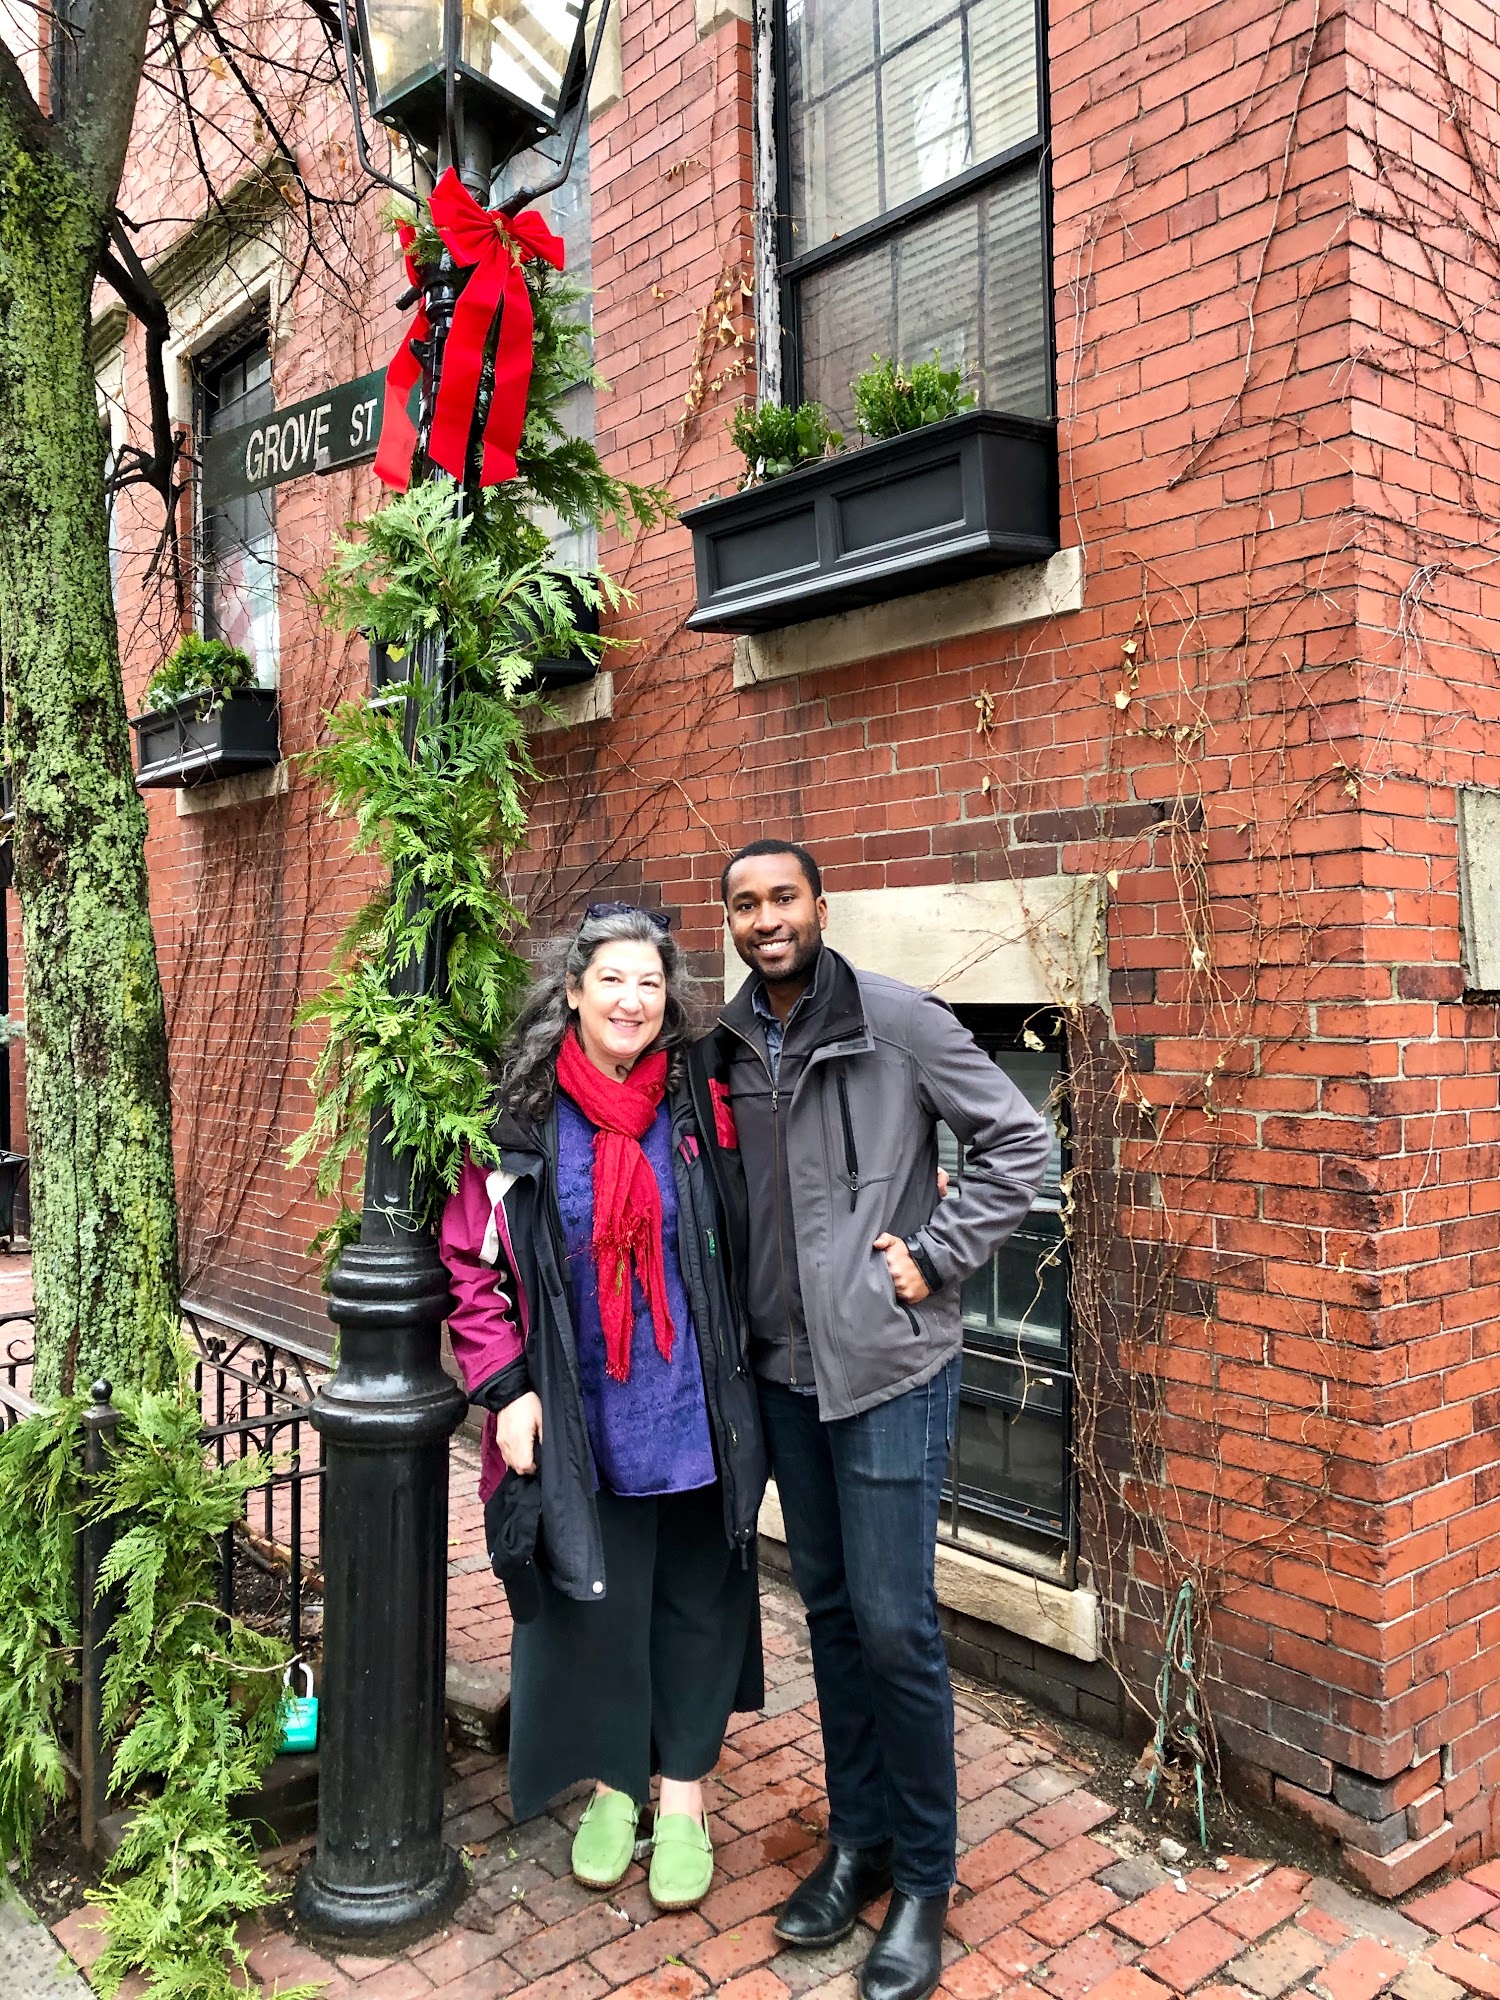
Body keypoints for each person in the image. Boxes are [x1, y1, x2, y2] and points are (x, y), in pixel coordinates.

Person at [694, 840, 1052, 2000]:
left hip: (892, 1368)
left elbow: (1020, 1142)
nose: (765, 919)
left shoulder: (899, 1022)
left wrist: (936, 1258)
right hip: (784, 1376)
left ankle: (927, 1880)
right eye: (745, 904)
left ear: (820, 905)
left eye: (782, 897)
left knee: (897, 1625)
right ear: (731, 921)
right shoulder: (723, 1048)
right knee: (835, 1616)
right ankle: (861, 1841)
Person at [438, 903, 766, 1912]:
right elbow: (472, 1266)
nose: (631, 999)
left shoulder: (701, 1103)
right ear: (573, 990)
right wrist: (504, 1387)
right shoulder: (519, 1118)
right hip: (582, 1410)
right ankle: (618, 1785)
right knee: (601, 1607)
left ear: (670, 999)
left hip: (696, 1401)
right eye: (612, 979)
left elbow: (776, 1197)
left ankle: (685, 1797)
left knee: (697, 1602)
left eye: (650, 982)